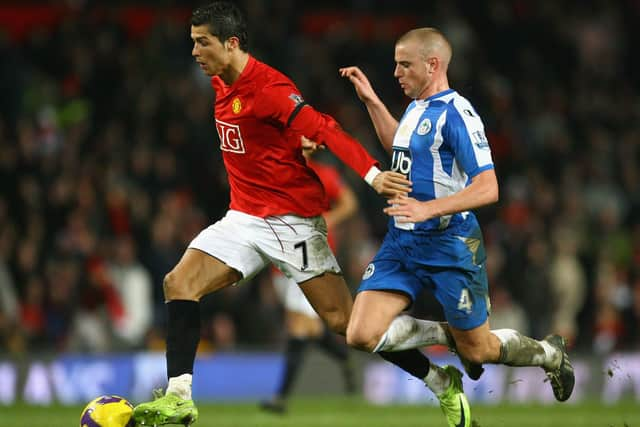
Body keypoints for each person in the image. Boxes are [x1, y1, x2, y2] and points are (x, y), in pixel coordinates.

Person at [132, 2, 413, 426]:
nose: (194, 52)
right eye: (192, 42)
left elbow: (324, 127)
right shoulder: (220, 82)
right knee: (179, 282)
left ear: (230, 44)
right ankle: (179, 398)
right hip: (244, 218)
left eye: (201, 42)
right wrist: (290, 144)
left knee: (346, 324)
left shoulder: (269, 87)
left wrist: (373, 175)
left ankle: (436, 371)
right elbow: (268, 136)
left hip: (291, 223)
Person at [339, 27, 575, 426]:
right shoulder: (416, 107)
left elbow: (489, 187)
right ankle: (448, 363)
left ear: (432, 65)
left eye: (404, 64)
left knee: (479, 350)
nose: (396, 71)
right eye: (396, 63)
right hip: (403, 242)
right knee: (360, 333)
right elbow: (400, 146)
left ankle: (550, 354)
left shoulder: (457, 114)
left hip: (450, 244)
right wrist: (372, 102)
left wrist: (428, 209)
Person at [260, 144, 357, 414]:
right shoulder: (276, 175)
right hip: (282, 263)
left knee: (298, 327)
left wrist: (328, 220)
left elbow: (350, 203)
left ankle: (280, 399)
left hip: (310, 257)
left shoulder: (323, 175)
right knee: (309, 329)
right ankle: (344, 357)